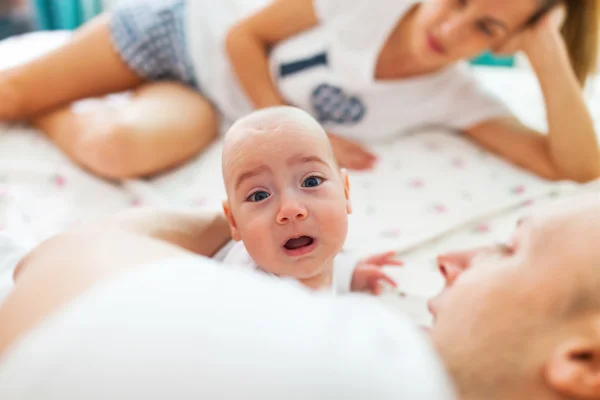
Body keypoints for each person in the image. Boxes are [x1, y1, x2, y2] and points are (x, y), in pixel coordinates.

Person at [2, 194, 600, 399]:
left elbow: (51, 267)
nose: (452, 259)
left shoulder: (373, 374)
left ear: (584, 360)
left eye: (509, 251)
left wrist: (225, 221)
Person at [0, 0, 597, 181]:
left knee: (117, 149)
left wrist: (547, 51)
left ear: (508, 42)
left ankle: (50, 109)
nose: (450, 28)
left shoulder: (455, 96)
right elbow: (244, 37)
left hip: (212, 105)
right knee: (12, 92)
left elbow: (575, 166)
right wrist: (301, 131)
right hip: (180, 35)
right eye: (460, 1)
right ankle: (40, 99)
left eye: (485, 28)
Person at [217, 106, 401, 293]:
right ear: (234, 221)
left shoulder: (325, 249)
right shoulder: (246, 291)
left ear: (345, 192)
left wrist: (353, 275)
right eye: (259, 196)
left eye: (311, 182)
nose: (290, 209)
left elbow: (330, 267)